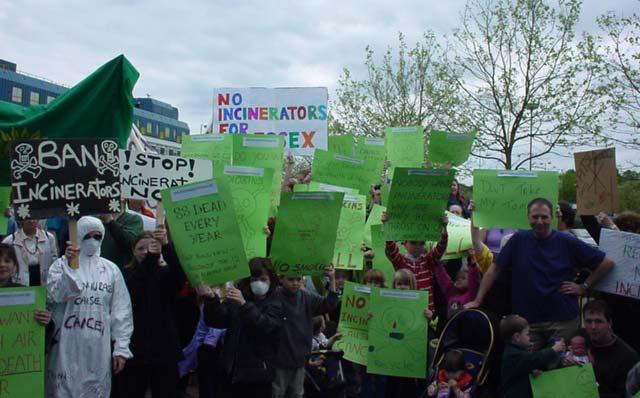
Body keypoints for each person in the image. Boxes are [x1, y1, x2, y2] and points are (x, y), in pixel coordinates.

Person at [465, 198, 615, 349]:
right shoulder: (518, 240)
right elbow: (494, 269)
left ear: (552, 218)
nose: (540, 221)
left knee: (562, 369)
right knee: (532, 369)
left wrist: (583, 286)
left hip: (562, 322)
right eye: (535, 217)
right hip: (527, 324)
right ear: (528, 217)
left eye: (544, 217)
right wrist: (478, 300)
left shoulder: (567, 242)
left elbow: (607, 263)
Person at [45, 216, 133, 398]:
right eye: (87, 236)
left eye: (97, 236)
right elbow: (58, 295)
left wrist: (121, 347)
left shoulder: (111, 270)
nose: (92, 240)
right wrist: (71, 267)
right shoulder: (59, 266)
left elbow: (121, 311)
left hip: (97, 346)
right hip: (66, 344)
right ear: (78, 236)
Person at [115, 227, 186, 398]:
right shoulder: (124, 274)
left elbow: (180, 275)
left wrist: (166, 245)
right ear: (133, 251)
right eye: (140, 248)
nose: (145, 252)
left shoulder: (165, 273)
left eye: (150, 248)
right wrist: (151, 259)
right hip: (134, 348)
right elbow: (133, 288)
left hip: (164, 349)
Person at [202, 257, 283, 398]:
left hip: (258, 375)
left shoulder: (275, 303)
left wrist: (245, 305)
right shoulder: (237, 298)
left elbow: (267, 327)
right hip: (232, 371)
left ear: (271, 280)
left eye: (263, 279)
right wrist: (211, 300)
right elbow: (217, 321)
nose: (258, 283)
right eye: (253, 279)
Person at [273, 268, 339, 398]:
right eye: (291, 279)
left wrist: (332, 279)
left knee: (297, 393)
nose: (295, 283)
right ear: (281, 279)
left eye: (298, 279)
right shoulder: (274, 296)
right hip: (279, 358)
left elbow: (330, 304)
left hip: (300, 358)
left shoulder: (306, 297)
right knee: (277, 393)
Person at [382, 212, 448, 314]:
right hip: (404, 309)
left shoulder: (428, 260)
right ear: (404, 243)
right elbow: (390, 246)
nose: (417, 246)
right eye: (413, 242)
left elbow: (441, 247)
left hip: (425, 312)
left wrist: (444, 227)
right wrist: (386, 225)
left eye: (421, 243)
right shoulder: (400, 261)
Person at [500, 314, 566, 398]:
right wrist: (553, 349)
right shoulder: (514, 354)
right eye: (527, 334)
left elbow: (520, 368)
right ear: (517, 337)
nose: (530, 337)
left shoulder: (514, 350)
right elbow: (535, 358)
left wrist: (530, 372)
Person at [583, 300, 639, 398]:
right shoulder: (581, 340)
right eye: (588, 321)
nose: (593, 327)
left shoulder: (627, 357)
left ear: (609, 323)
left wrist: (591, 370)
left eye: (598, 321)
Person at [0, 243, 52, 326]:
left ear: (14, 264)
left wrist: (47, 321)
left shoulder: (24, 294)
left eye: (7, 261)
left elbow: (38, 328)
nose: (2, 265)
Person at [2, 218, 58, 286]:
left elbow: (54, 263)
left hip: (44, 285)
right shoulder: (10, 241)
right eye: (28, 218)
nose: (31, 221)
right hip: (19, 285)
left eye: (34, 218)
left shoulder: (49, 238)